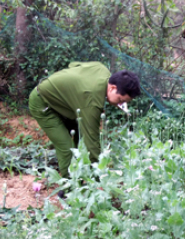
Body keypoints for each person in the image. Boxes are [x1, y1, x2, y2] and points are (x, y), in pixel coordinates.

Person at [28, 62, 141, 197]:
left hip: (66, 104)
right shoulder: (92, 100)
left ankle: (81, 177)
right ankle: (70, 189)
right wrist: (98, 177)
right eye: (120, 99)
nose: (121, 104)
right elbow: (91, 141)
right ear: (112, 88)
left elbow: (73, 65)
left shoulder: (101, 70)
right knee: (66, 147)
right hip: (43, 103)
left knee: (79, 140)